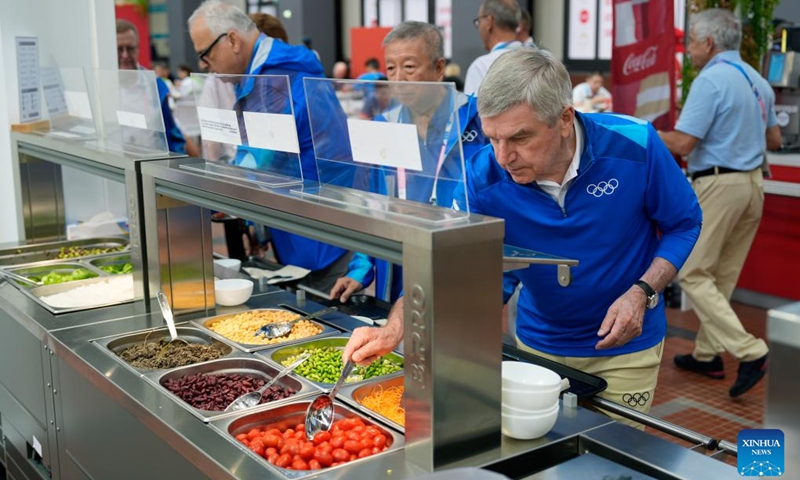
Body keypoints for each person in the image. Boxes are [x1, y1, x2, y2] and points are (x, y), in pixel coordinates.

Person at [344, 48, 703, 423]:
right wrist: (396, 328)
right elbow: (444, 260)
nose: (503, 156)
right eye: (493, 139)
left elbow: (684, 223)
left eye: (519, 138)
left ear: (564, 118)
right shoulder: (481, 175)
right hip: (537, 345)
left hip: (627, 348)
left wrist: (642, 292)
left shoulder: (636, 144)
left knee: (614, 457)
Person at [658, 9, 781, 398]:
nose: (689, 49)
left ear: (708, 43)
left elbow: (682, 143)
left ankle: (752, 351)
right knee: (722, 276)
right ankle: (708, 354)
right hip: (753, 186)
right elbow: (775, 140)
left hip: (719, 184)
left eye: (691, 41)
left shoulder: (711, 79)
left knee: (692, 271)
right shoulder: (759, 81)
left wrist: (640, 129)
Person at [188, 0, 353, 292]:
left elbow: (259, 158)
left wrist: (211, 192)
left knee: (325, 314)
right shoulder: (259, 75)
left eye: (205, 53)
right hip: (299, 220)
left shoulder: (277, 78)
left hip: (320, 228)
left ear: (233, 40)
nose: (203, 64)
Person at [330, 21, 488, 304]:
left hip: (460, 257)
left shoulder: (477, 119)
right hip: (400, 260)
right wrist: (361, 268)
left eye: (410, 67)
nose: (399, 78)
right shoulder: (384, 125)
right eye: (391, 68)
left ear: (439, 69)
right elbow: (373, 204)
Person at [116, 20, 200, 157]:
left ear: (138, 48)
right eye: (119, 49)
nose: (125, 55)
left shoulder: (154, 85)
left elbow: (173, 131)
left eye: (130, 48)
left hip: (152, 164)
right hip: (114, 166)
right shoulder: (103, 87)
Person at [464, 0, 523, 95]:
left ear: (489, 22)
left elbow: (473, 109)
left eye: (479, 22)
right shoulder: (541, 60)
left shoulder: (481, 67)